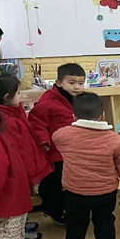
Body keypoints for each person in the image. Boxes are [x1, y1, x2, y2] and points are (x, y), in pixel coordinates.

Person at [53, 93, 120, 239]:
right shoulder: (115, 139)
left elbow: (56, 139)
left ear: (74, 116)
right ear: (102, 116)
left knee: (75, 222)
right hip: (106, 192)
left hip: (75, 191)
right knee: (105, 220)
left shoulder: (64, 135)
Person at [0, 75, 52, 239]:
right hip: (11, 185)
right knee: (10, 225)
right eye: (19, 94)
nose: (21, 97)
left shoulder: (7, 118)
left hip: (10, 185)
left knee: (9, 225)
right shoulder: (9, 122)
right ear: (6, 97)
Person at [29, 63, 86, 225]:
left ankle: (73, 210)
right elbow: (36, 122)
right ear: (59, 82)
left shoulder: (82, 100)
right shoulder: (48, 101)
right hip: (56, 151)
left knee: (75, 182)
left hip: (77, 150)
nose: (77, 87)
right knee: (55, 183)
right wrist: (43, 141)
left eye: (80, 83)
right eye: (72, 83)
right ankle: (56, 211)